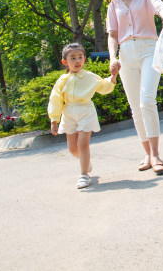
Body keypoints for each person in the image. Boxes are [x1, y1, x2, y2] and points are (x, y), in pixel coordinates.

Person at [104, 0, 163, 175]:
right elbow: (113, 35)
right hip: (125, 54)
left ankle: (155, 154)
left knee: (147, 101)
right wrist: (112, 58)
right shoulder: (113, 6)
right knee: (135, 107)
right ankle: (147, 154)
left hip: (148, 50)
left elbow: (160, 6)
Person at [48, 42, 118, 189]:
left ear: (84, 59)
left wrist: (112, 77)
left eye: (80, 57)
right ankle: (86, 162)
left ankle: (84, 175)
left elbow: (104, 86)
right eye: (72, 58)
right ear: (64, 62)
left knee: (82, 144)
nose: (77, 61)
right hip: (69, 114)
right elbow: (55, 99)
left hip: (85, 111)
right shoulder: (61, 81)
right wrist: (54, 119)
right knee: (73, 149)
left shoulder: (89, 77)